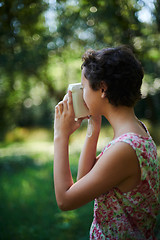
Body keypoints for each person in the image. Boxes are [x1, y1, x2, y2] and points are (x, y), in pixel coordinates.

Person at [54, 46, 159, 239]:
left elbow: (65, 200)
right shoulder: (136, 131)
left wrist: (60, 136)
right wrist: (94, 123)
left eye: (83, 87)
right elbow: (84, 179)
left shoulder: (125, 148)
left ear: (102, 88)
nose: (82, 93)